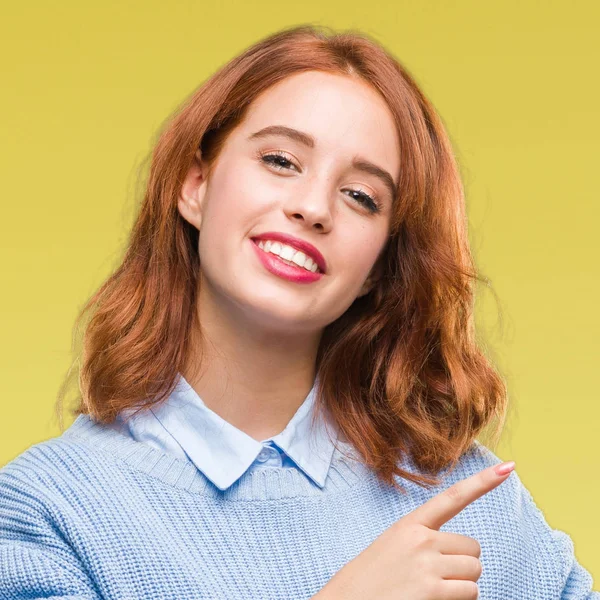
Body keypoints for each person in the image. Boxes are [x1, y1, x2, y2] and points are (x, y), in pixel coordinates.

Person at [0, 24, 597, 600]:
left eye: (361, 197)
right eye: (281, 161)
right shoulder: (44, 513)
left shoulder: (467, 500)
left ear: (379, 269)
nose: (313, 208)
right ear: (195, 185)